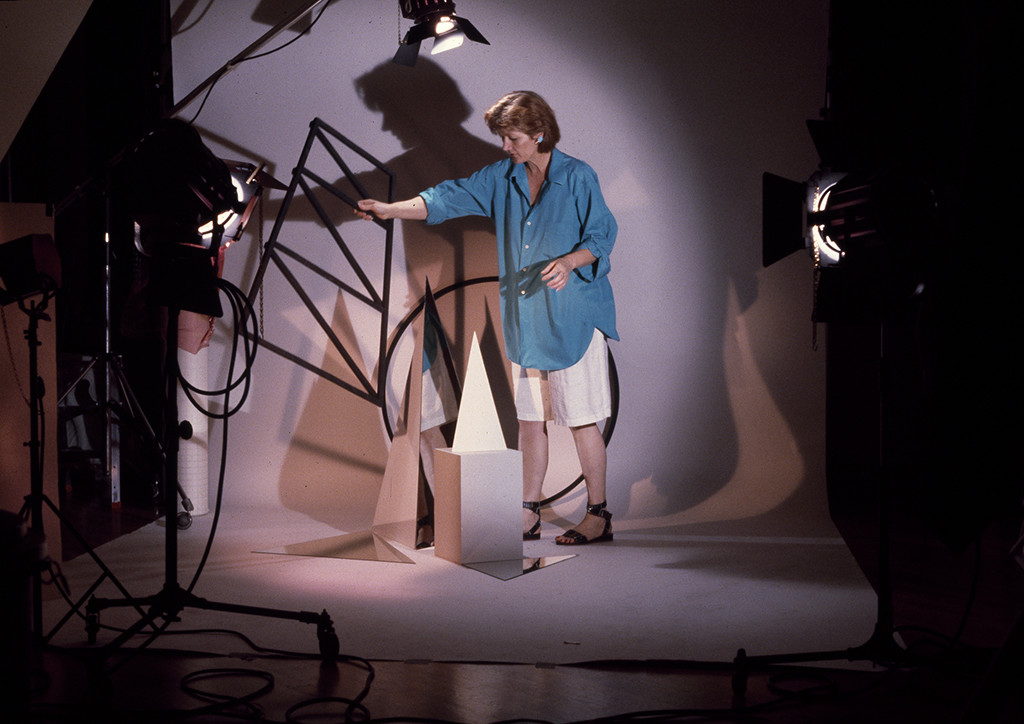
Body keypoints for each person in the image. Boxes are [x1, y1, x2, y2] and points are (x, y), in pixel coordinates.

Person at [356, 90, 618, 545]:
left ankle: (598, 514)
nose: (505, 148)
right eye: (502, 139)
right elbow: (447, 198)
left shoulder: (578, 176)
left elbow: (602, 236)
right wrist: (391, 209)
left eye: (512, 138)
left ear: (539, 133)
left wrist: (571, 262)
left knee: (581, 418)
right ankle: (527, 510)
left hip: (573, 317)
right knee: (530, 420)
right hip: (527, 319)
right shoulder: (503, 177)